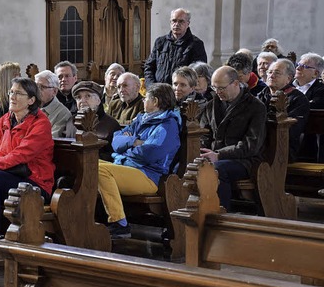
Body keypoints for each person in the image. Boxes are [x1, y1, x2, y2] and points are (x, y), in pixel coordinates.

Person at [98, 83, 181, 239]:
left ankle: (119, 224)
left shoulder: (167, 125)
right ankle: (95, 218)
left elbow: (150, 153)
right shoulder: (142, 119)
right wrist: (133, 142)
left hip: (147, 175)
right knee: (89, 164)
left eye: (146, 98)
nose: (143, 101)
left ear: (155, 101)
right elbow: (116, 140)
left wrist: (127, 148)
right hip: (128, 166)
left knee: (99, 170)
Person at [0, 77, 55, 244]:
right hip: (8, 175)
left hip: (35, 183)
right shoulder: (3, 120)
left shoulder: (41, 123)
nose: (12, 97)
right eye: (11, 92)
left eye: (18, 93)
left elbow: (21, 154)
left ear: (31, 100)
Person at [199, 66, 266, 210]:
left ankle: (221, 216)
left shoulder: (255, 107)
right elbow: (204, 133)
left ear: (236, 83)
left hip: (244, 160)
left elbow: (251, 145)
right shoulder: (211, 105)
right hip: (213, 156)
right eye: (214, 87)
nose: (217, 92)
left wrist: (219, 155)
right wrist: (202, 151)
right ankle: (190, 218)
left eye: (221, 88)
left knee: (216, 169)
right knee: (183, 166)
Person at [257, 59, 309, 163]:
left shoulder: (298, 99)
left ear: (289, 78)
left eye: (277, 73)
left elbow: (291, 130)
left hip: (282, 149)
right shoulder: (261, 95)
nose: (271, 75)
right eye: (270, 72)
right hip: (258, 145)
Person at [144, 8, 207, 85]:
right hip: (158, 90)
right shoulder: (160, 42)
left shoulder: (196, 44)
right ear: (170, 22)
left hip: (181, 91)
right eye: (174, 21)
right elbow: (149, 67)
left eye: (181, 21)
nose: (176, 24)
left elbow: (198, 72)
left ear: (188, 23)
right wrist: (151, 86)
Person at [65, 81, 121, 161]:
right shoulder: (70, 122)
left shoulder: (111, 125)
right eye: (78, 97)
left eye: (88, 96)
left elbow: (113, 155)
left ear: (98, 101)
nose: (82, 101)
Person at [34, 70, 71, 137]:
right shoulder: (30, 106)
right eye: (36, 86)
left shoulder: (63, 113)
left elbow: (51, 138)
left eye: (42, 87)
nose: (37, 90)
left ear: (54, 91)